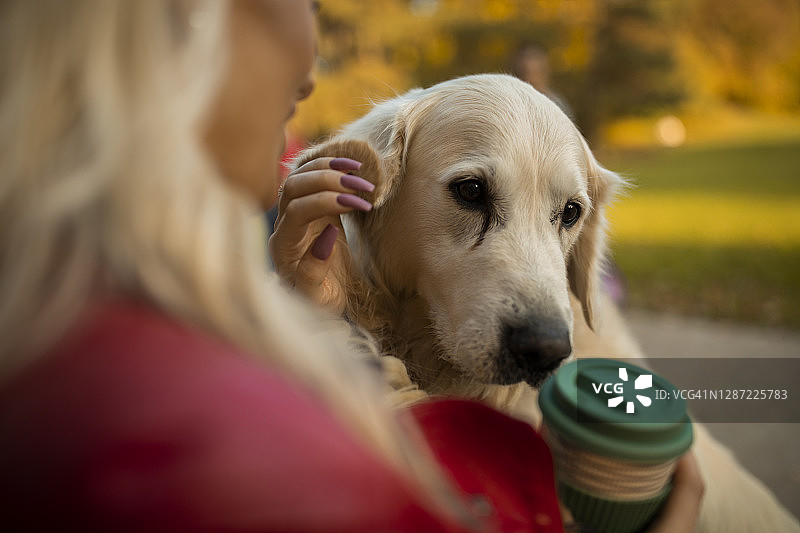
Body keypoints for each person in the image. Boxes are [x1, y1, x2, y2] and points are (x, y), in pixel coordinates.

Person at [0, 1, 703, 531]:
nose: (312, 62)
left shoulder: (72, 333)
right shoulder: (206, 426)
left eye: (568, 214)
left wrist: (310, 322)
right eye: (470, 192)